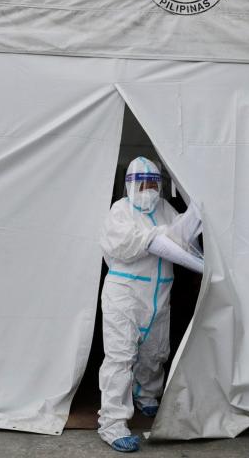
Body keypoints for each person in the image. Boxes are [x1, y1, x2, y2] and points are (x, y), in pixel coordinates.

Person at [97, 157, 203, 453]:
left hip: (158, 293)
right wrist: (160, 236)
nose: (149, 190)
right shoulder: (120, 211)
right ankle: (112, 423)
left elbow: (181, 236)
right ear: (130, 185)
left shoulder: (164, 209)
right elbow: (126, 245)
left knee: (155, 350)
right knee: (120, 356)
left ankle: (147, 397)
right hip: (125, 293)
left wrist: (197, 211)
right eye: (142, 184)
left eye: (154, 183)